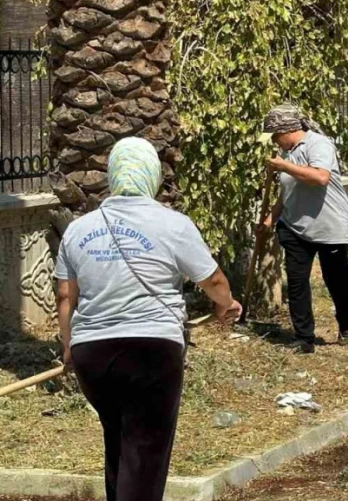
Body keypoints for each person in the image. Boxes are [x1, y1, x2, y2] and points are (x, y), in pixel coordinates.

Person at [54, 137, 242, 501]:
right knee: (145, 450)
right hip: (151, 350)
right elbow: (214, 280)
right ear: (152, 175)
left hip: (92, 355)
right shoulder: (173, 224)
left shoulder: (78, 229)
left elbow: (66, 296)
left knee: (120, 439)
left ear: (113, 175)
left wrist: (67, 348)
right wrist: (226, 305)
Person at [262, 103, 348, 354]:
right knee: (296, 281)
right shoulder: (287, 153)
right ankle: (304, 338)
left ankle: (347, 323)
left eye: (274, 135)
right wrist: (271, 219)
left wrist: (283, 166)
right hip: (294, 228)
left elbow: (319, 178)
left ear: (286, 130)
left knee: (336, 280)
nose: (273, 141)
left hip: (329, 227)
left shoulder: (318, 144)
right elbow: (287, 193)